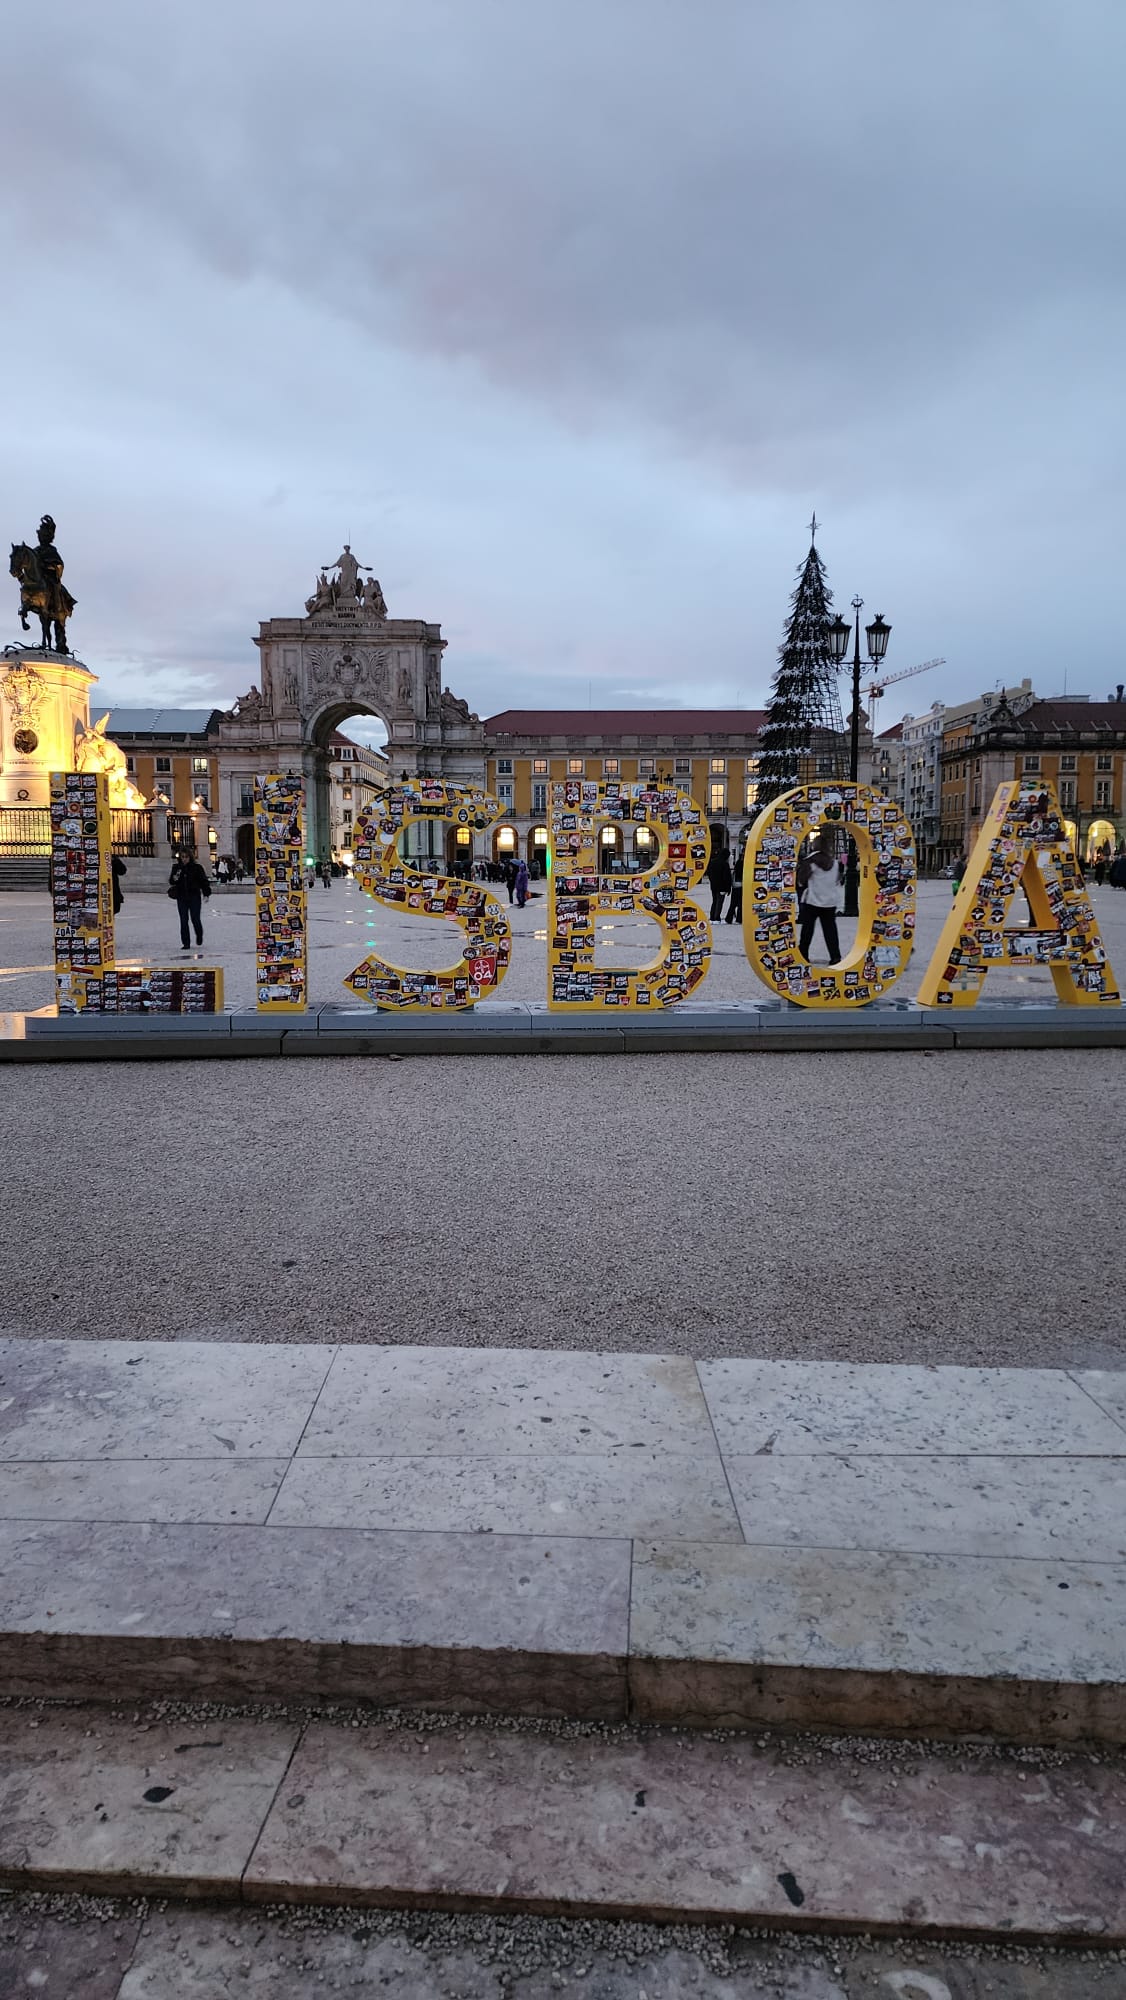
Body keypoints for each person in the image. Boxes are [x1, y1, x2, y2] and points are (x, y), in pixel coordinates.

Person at [796, 832, 842, 965]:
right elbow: (837, 880)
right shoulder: (834, 863)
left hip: (813, 900)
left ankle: (803, 953)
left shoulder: (810, 861)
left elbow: (801, 880)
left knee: (807, 930)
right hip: (830, 901)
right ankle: (835, 956)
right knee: (830, 931)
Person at [169, 850, 211, 953]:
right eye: (182, 857)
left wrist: (206, 893)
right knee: (183, 920)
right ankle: (186, 943)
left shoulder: (197, 868)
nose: (184, 859)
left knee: (195, 918)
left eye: (186, 857)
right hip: (181, 897)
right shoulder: (177, 868)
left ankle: (199, 934)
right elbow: (171, 881)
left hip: (194, 896)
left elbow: (204, 881)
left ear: (190, 857)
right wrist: (175, 878)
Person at [705, 847, 733, 920]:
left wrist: (712, 880)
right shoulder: (725, 864)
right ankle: (717, 916)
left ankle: (712, 916)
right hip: (722, 886)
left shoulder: (712, 862)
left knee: (714, 901)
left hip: (714, 886)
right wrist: (728, 888)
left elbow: (708, 873)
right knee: (720, 902)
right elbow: (727, 877)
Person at [724, 845, 746, 925]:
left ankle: (729, 918)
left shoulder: (738, 863)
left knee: (733, 903)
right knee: (740, 904)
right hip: (742, 885)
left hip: (735, 885)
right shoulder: (744, 863)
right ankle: (739, 919)